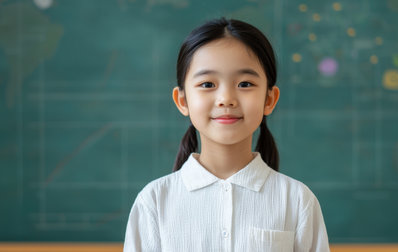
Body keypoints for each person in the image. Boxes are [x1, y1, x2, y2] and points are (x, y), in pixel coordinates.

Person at [124, 17, 329, 252]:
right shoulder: (154, 201)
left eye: (244, 84)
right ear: (182, 100)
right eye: (208, 84)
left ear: (269, 99)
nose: (226, 99)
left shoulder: (297, 200)